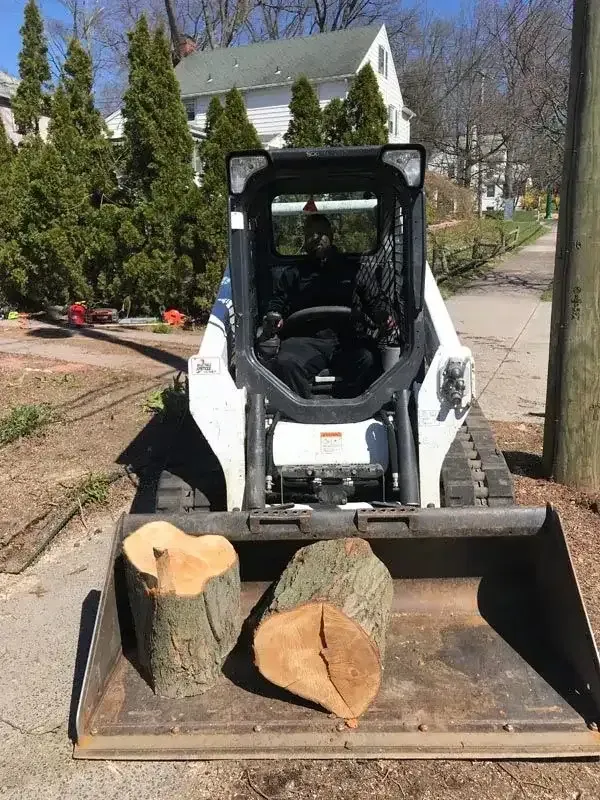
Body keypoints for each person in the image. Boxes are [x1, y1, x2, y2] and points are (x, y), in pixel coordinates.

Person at [257, 214, 398, 399]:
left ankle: (350, 405)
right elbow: (277, 302)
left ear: (331, 235)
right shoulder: (292, 274)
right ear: (305, 240)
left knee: (368, 359)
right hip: (305, 340)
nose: (316, 238)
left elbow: (374, 299)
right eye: (310, 234)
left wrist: (382, 315)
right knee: (286, 363)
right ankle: (304, 410)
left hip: (347, 339)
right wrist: (274, 315)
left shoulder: (354, 270)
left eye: (321, 232)